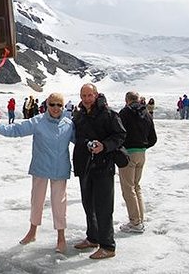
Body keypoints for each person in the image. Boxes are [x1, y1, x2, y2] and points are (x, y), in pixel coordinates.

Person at [0, 93, 74, 253]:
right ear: (47, 105)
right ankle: (32, 232)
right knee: (37, 201)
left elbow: (81, 140)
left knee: (59, 204)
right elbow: (17, 129)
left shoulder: (69, 124)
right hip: (41, 167)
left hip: (60, 169)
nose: (55, 108)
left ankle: (61, 238)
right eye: (52, 104)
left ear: (63, 107)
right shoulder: (38, 121)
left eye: (59, 105)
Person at [72, 84, 126, 260]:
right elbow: (78, 136)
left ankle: (108, 246)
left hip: (104, 166)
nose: (87, 99)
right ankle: (93, 237)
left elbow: (120, 135)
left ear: (96, 95)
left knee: (103, 206)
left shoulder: (109, 114)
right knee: (88, 204)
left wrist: (104, 146)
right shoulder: (79, 115)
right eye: (84, 95)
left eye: (89, 95)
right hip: (85, 165)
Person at [118, 92, 157, 234]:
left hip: (128, 153)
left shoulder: (125, 112)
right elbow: (153, 137)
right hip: (142, 152)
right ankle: (140, 218)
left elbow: (119, 132)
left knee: (128, 188)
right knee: (136, 186)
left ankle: (135, 222)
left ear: (126, 100)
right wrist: (143, 146)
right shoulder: (146, 113)